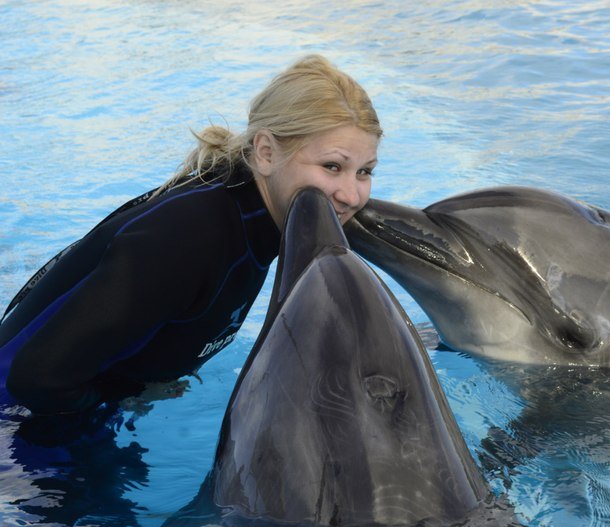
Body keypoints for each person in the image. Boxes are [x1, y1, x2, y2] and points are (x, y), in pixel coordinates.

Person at [0, 54, 382, 415]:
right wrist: (132, 393)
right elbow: (35, 378)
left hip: (65, 406)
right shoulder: (191, 239)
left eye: (364, 172)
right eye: (332, 166)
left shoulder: (255, 217)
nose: (351, 196)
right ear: (265, 152)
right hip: (16, 424)